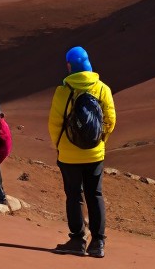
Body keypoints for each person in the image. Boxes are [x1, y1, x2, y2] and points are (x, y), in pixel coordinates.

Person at [48, 46, 116, 258]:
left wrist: (59, 146)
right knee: (95, 195)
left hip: (68, 155)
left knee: (74, 196)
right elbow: (110, 121)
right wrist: (100, 141)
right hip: (95, 155)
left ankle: (77, 241)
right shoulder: (102, 89)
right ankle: (98, 243)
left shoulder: (62, 91)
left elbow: (54, 124)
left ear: (70, 66)